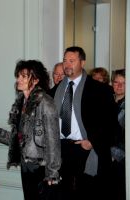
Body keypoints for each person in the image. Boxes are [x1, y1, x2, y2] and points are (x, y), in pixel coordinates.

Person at [0, 60, 61, 200]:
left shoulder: (46, 103)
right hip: (27, 167)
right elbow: (16, 139)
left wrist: (52, 173)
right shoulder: (22, 103)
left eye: (24, 76)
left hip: (41, 169)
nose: (18, 79)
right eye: (18, 75)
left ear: (36, 80)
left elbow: (53, 141)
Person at [49, 46, 118, 200]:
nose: (67, 64)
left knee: (84, 193)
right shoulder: (54, 91)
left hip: (85, 149)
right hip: (60, 148)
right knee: (62, 193)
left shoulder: (100, 90)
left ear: (83, 62)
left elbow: (111, 125)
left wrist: (93, 142)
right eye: (65, 60)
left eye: (72, 61)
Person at [110, 69, 125, 200]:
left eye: (123, 83)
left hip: (121, 157)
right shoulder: (106, 100)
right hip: (103, 153)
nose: (119, 86)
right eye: (116, 82)